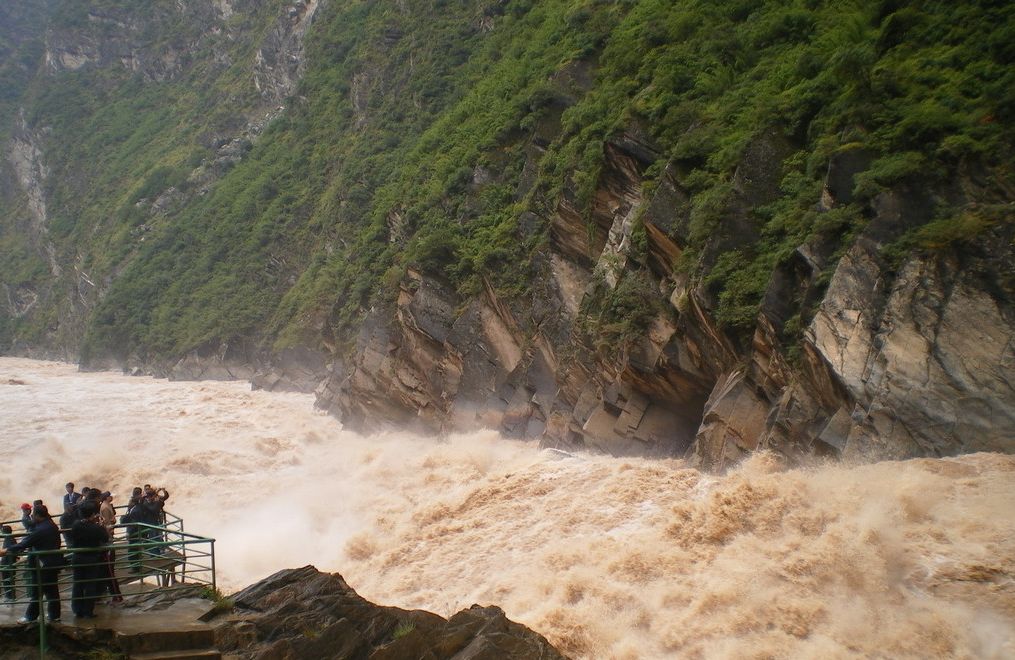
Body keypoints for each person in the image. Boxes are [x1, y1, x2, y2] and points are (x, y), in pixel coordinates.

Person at [0, 505, 63, 623]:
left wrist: (7, 550)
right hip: (53, 562)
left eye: (34, 514)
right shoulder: (51, 525)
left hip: (42, 564)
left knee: (37, 592)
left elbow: (24, 543)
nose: (32, 516)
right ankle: (55, 615)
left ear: (39, 516)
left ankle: (30, 617)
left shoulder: (41, 530)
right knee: (52, 590)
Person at [68, 501, 108, 618]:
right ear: (92, 514)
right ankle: (88, 611)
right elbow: (105, 538)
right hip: (91, 558)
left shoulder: (75, 525)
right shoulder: (96, 527)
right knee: (90, 585)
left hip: (77, 557)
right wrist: (102, 526)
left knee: (78, 584)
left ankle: (77, 609)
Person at [1, 525, 17, 601]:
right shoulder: (12, 539)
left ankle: (10, 596)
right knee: (9, 580)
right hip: (9, 563)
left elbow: (8, 551)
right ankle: (11, 596)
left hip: (7, 564)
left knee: (7, 581)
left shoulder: (8, 539)